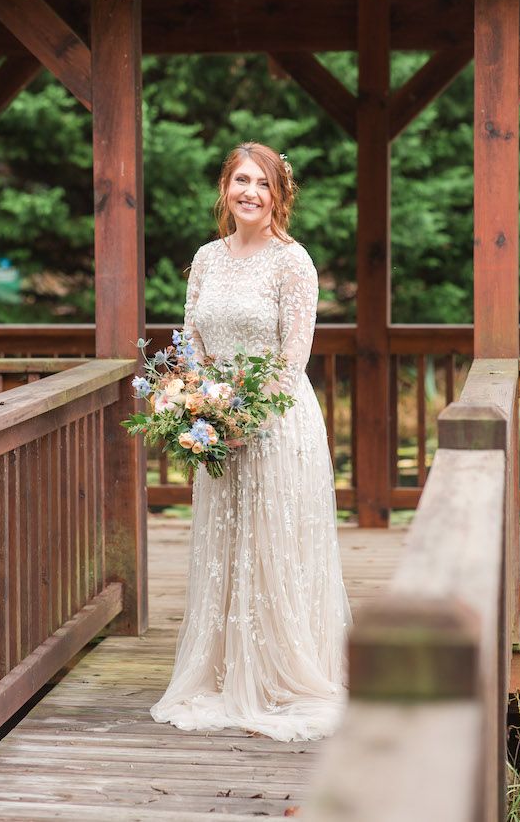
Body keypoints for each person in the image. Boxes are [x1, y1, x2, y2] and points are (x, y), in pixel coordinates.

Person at [149, 142, 353, 742]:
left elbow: (294, 356)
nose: (250, 192)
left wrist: (248, 418)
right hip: (215, 426)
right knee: (225, 546)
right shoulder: (207, 258)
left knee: (274, 544)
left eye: (262, 183)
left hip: (277, 425)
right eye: (241, 180)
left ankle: (277, 676)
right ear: (225, 187)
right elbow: (191, 342)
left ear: (279, 195)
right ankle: (225, 671)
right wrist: (194, 403)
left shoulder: (294, 263)